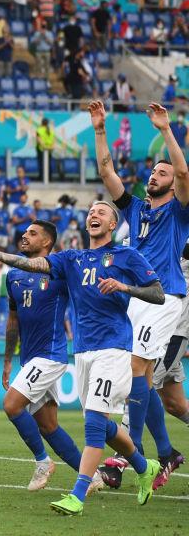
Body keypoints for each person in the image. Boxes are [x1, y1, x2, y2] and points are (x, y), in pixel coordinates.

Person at [0, 200, 163, 516]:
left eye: (102, 212)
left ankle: (78, 494)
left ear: (113, 225)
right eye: (91, 211)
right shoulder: (71, 259)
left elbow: (158, 293)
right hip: (84, 351)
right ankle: (144, 466)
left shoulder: (126, 256)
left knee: (94, 424)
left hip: (114, 347)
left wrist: (124, 285)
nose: (94, 214)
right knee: (103, 425)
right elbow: (32, 265)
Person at [90, 101, 189, 490]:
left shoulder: (180, 212)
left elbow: (183, 170)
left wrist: (166, 131)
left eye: (160, 173)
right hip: (134, 299)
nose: (154, 175)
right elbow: (106, 171)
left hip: (165, 299)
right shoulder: (135, 210)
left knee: (136, 372)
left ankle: (139, 454)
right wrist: (99, 129)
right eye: (152, 171)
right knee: (140, 380)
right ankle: (163, 453)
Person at [0, 220, 100, 492]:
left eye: (32, 233)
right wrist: (8, 360)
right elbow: (13, 318)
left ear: (47, 242)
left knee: (11, 405)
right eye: (25, 232)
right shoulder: (13, 275)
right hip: (29, 357)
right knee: (48, 425)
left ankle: (43, 462)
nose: (24, 235)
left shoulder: (61, 272)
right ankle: (91, 476)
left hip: (51, 355)